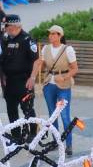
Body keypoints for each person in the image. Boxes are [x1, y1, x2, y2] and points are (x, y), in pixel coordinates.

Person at [32, 25, 78, 153]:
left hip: (64, 85)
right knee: (52, 115)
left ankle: (69, 144)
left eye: (53, 34)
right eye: (50, 34)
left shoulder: (67, 49)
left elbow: (75, 68)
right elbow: (41, 64)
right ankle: (56, 142)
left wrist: (64, 77)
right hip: (49, 85)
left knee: (64, 116)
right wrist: (35, 71)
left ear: (60, 36)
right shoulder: (45, 48)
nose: (50, 36)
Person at [0, 14, 38, 130]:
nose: (4, 28)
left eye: (6, 26)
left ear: (12, 26)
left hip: (24, 80)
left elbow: (37, 60)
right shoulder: (7, 39)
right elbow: (2, 60)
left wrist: (33, 78)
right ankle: (16, 136)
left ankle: (33, 134)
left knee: (27, 109)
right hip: (10, 81)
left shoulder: (27, 39)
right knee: (11, 110)